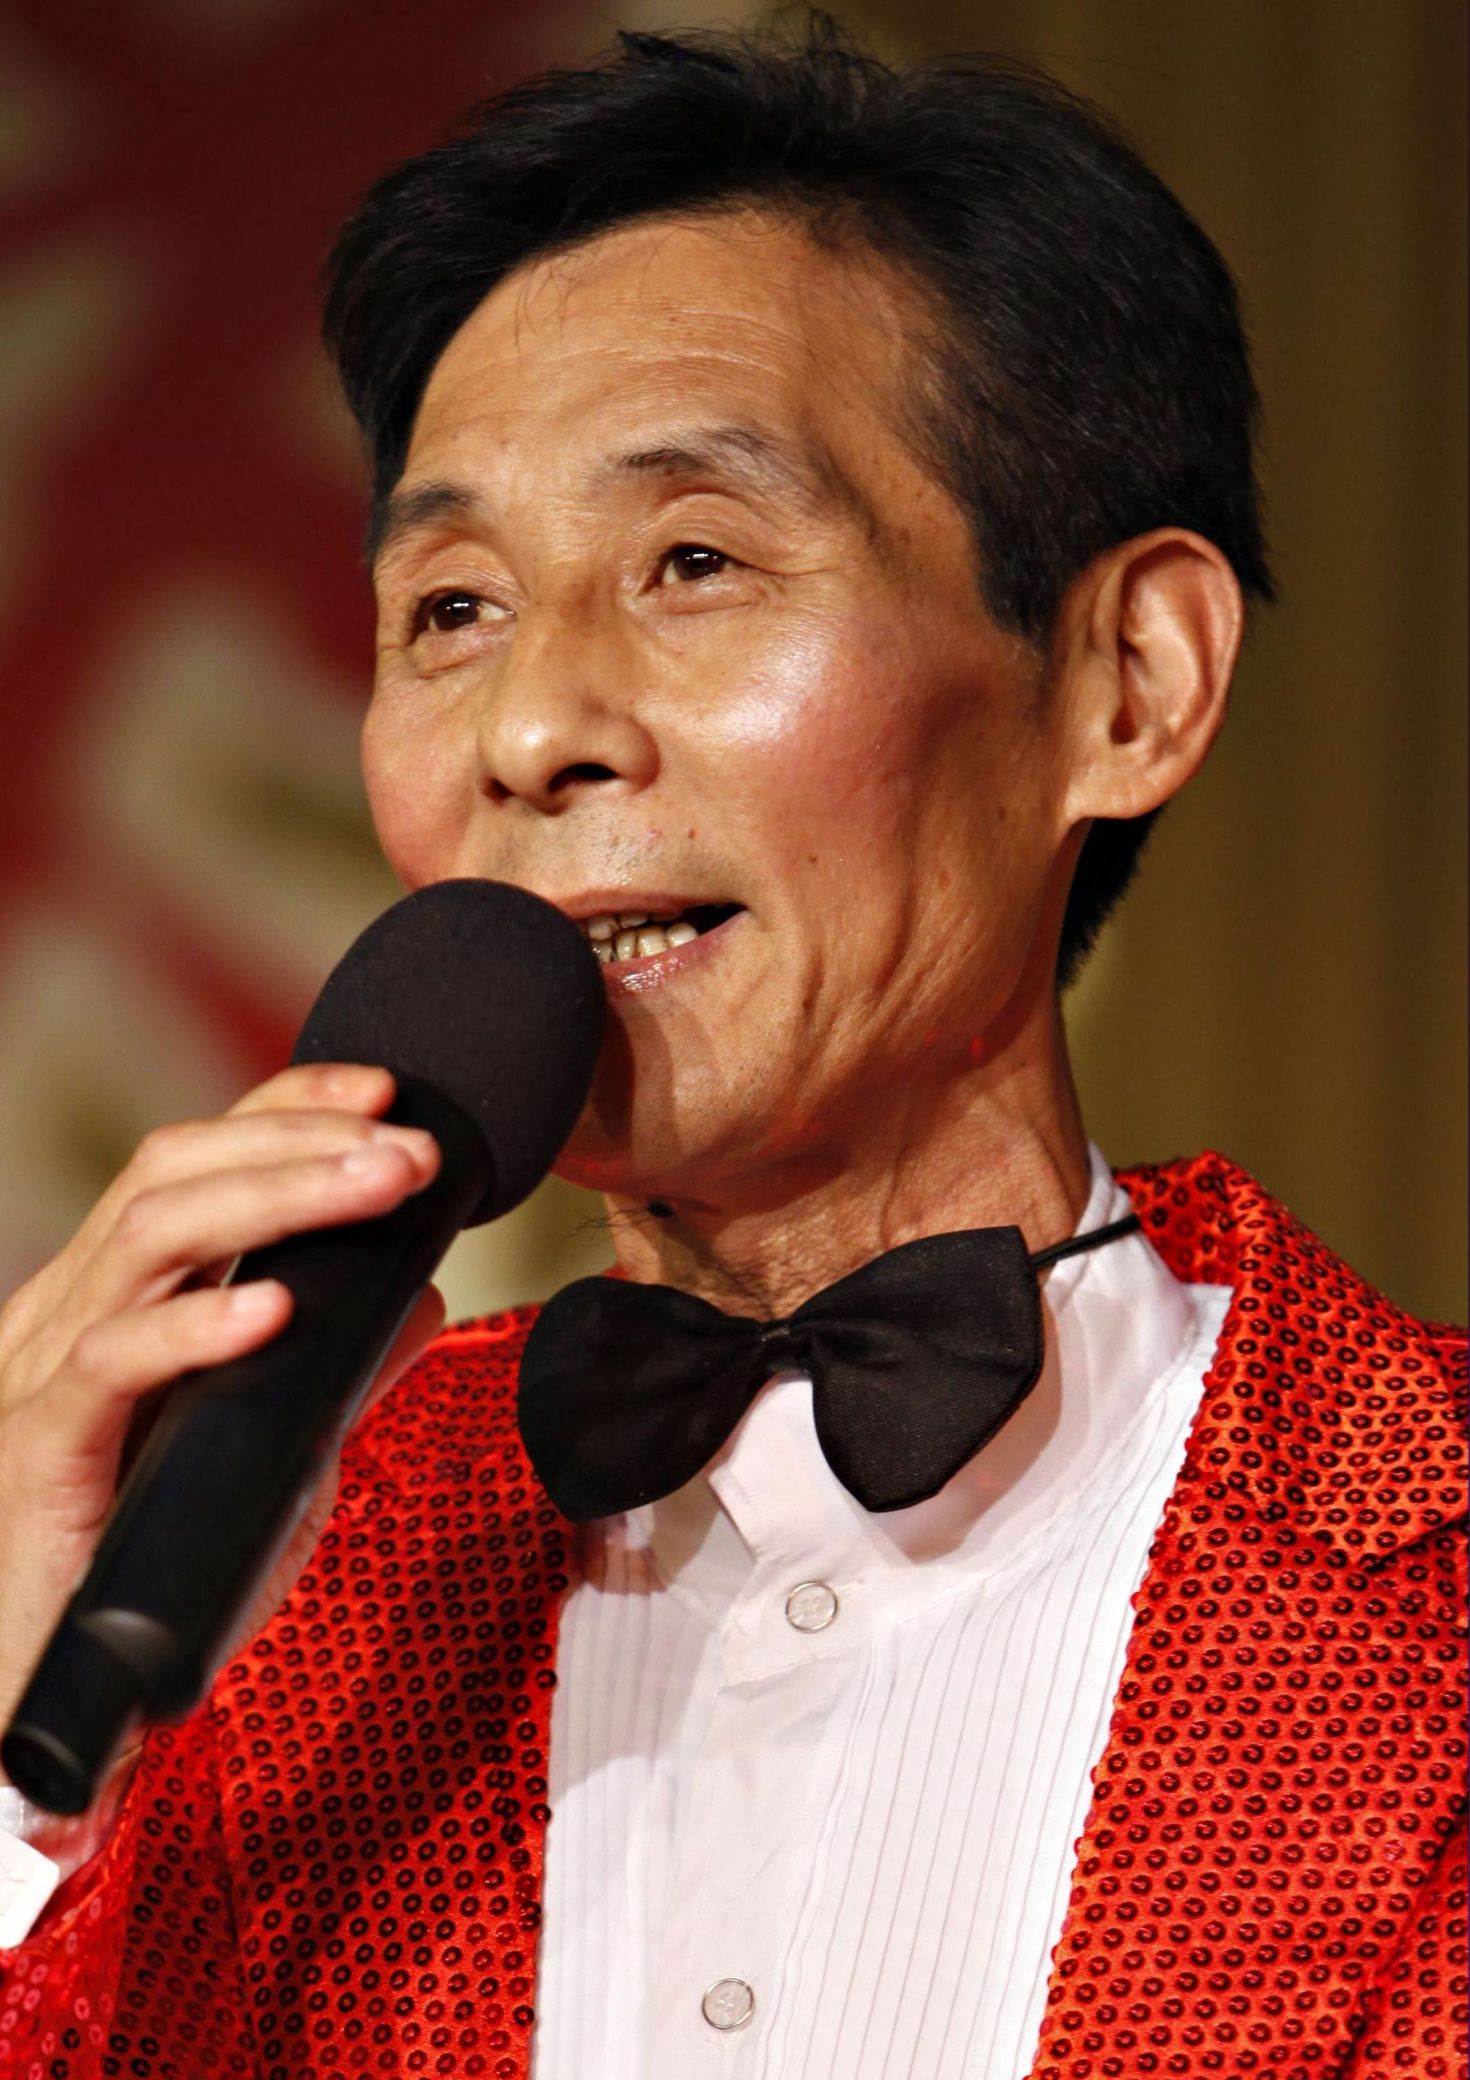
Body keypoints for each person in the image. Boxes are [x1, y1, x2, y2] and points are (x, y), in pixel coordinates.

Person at [0, 20, 1463, 2079]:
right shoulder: (247, 1589)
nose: (533, 730)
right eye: (451, 608)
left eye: (693, 561)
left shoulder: (1424, 1565)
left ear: (1125, 679)